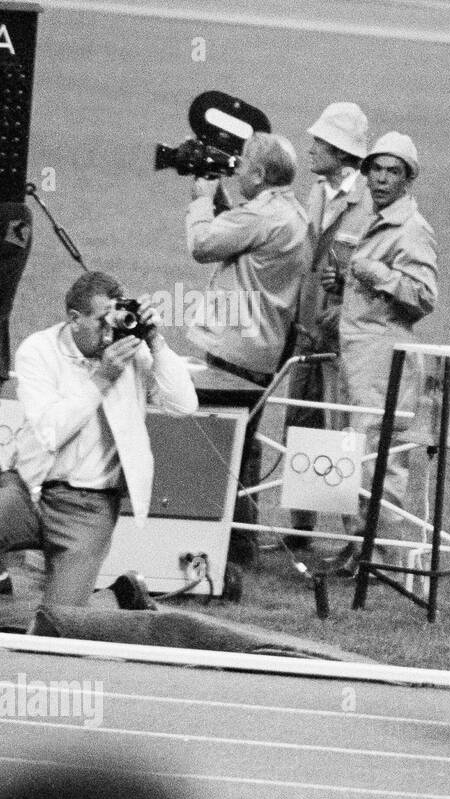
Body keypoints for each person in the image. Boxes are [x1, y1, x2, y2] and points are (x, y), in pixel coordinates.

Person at [0, 271, 198, 607]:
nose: (110, 332)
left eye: (116, 318)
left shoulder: (132, 352)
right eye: (100, 321)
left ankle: (120, 597)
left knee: (57, 629)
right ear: (75, 319)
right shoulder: (38, 350)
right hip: (28, 491)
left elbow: (184, 406)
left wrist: (157, 342)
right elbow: (51, 431)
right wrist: (102, 378)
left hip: (88, 509)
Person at [186, 132, 312, 564]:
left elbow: (203, 245)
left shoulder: (262, 215)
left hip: (234, 347)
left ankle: (222, 544)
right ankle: (239, 543)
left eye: (242, 164)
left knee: (221, 443)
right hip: (263, 345)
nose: (235, 168)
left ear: (260, 174)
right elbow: (239, 230)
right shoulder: (290, 212)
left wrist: (202, 199)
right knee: (245, 443)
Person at [330, 131, 439, 576]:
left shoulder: (413, 228)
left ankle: (377, 557)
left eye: (393, 171)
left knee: (380, 461)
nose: (381, 178)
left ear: (408, 179)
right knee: (355, 456)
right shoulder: (371, 219)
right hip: (358, 355)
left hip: (385, 358)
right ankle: (358, 545)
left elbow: (424, 295)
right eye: (375, 168)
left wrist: (375, 273)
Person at [284, 103, 373, 551]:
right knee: (302, 425)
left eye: (319, 142)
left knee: (342, 435)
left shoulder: (371, 203)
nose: (311, 147)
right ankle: (301, 531)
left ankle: (358, 542)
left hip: (343, 341)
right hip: (305, 332)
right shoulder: (317, 191)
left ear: (341, 150)